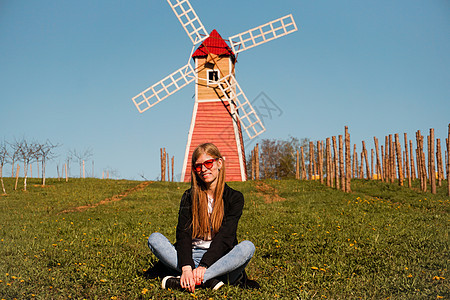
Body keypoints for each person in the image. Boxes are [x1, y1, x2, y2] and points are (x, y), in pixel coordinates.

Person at [147, 143, 259, 292]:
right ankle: (206, 280)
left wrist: (204, 266)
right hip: (190, 256)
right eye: (198, 166)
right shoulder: (189, 196)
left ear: (219, 163)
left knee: (248, 247)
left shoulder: (235, 198)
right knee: (154, 238)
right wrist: (187, 267)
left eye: (208, 163)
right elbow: (183, 234)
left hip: (220, 260)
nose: (204, 169)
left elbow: (226, 237)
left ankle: (189, 279)